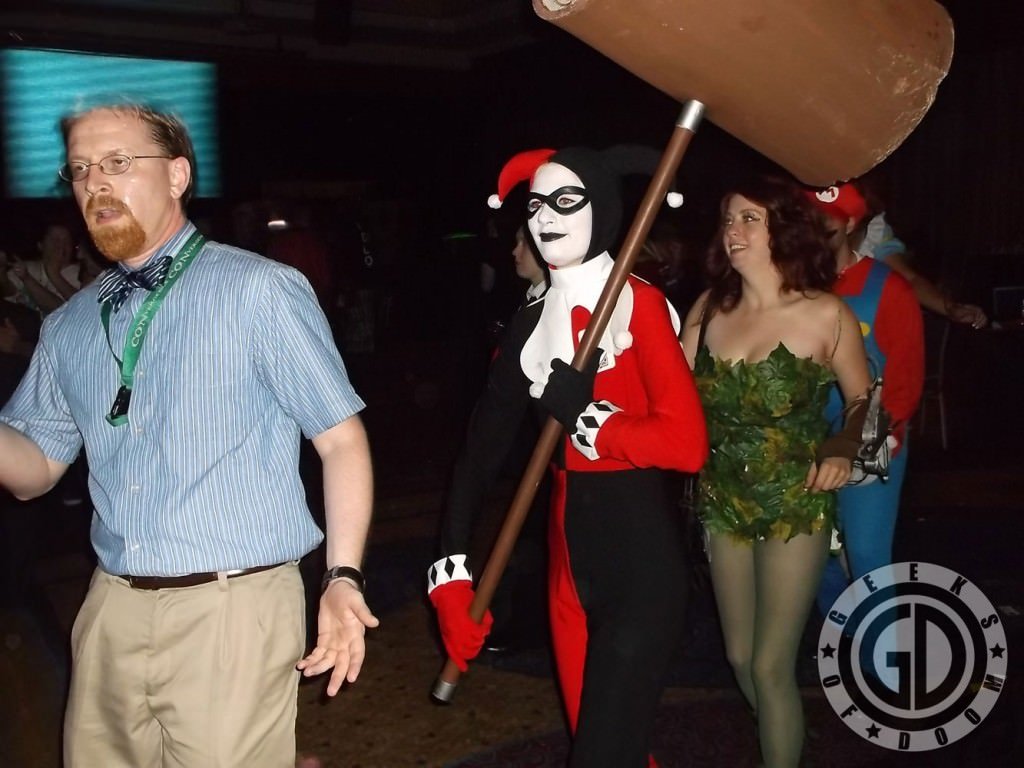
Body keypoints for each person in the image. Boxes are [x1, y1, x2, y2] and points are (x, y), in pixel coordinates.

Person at [0, 100, 378, 767]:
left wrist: (342, 577)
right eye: (82, 170)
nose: (96, 183)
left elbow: (340, 439)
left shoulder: (258, 291)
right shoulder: (70, 327)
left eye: (118, 163)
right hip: (111, 605)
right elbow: (34, 471)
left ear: (177, 175)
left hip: (232, 605)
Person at [428, 145, 708, 767]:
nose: (547, 217)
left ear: (602, 208)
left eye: (565, 201)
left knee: (601, 757)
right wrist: (450, 570)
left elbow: (687, 445)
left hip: (640, 567)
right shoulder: (529, 322)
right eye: (536, 204)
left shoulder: (636, 305)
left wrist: (591, 421)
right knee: (610, 749)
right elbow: (478, 454)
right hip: (568, 573)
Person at [680, 176, 872, 768]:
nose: (733, 231)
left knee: (770, 664)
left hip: (797, 500)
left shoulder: (825, 313)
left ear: (781, 229)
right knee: (740, 657)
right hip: (722, 497)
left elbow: (867, 400)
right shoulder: (710, 308)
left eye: (749, 220)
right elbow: (670, 392)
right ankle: (784, 736)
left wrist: (841, 444)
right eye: (728, 220)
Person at [805, 183, 925, 623]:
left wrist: (882, 438)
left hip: (872, 437)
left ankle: (880, 668)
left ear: (850, 222)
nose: (813, 228)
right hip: (803, 439)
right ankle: (841, 642)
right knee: (810, 554)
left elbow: (906, 378)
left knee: (867, 555)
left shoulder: (887, 287)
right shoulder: (790, 284)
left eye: (825, 218)